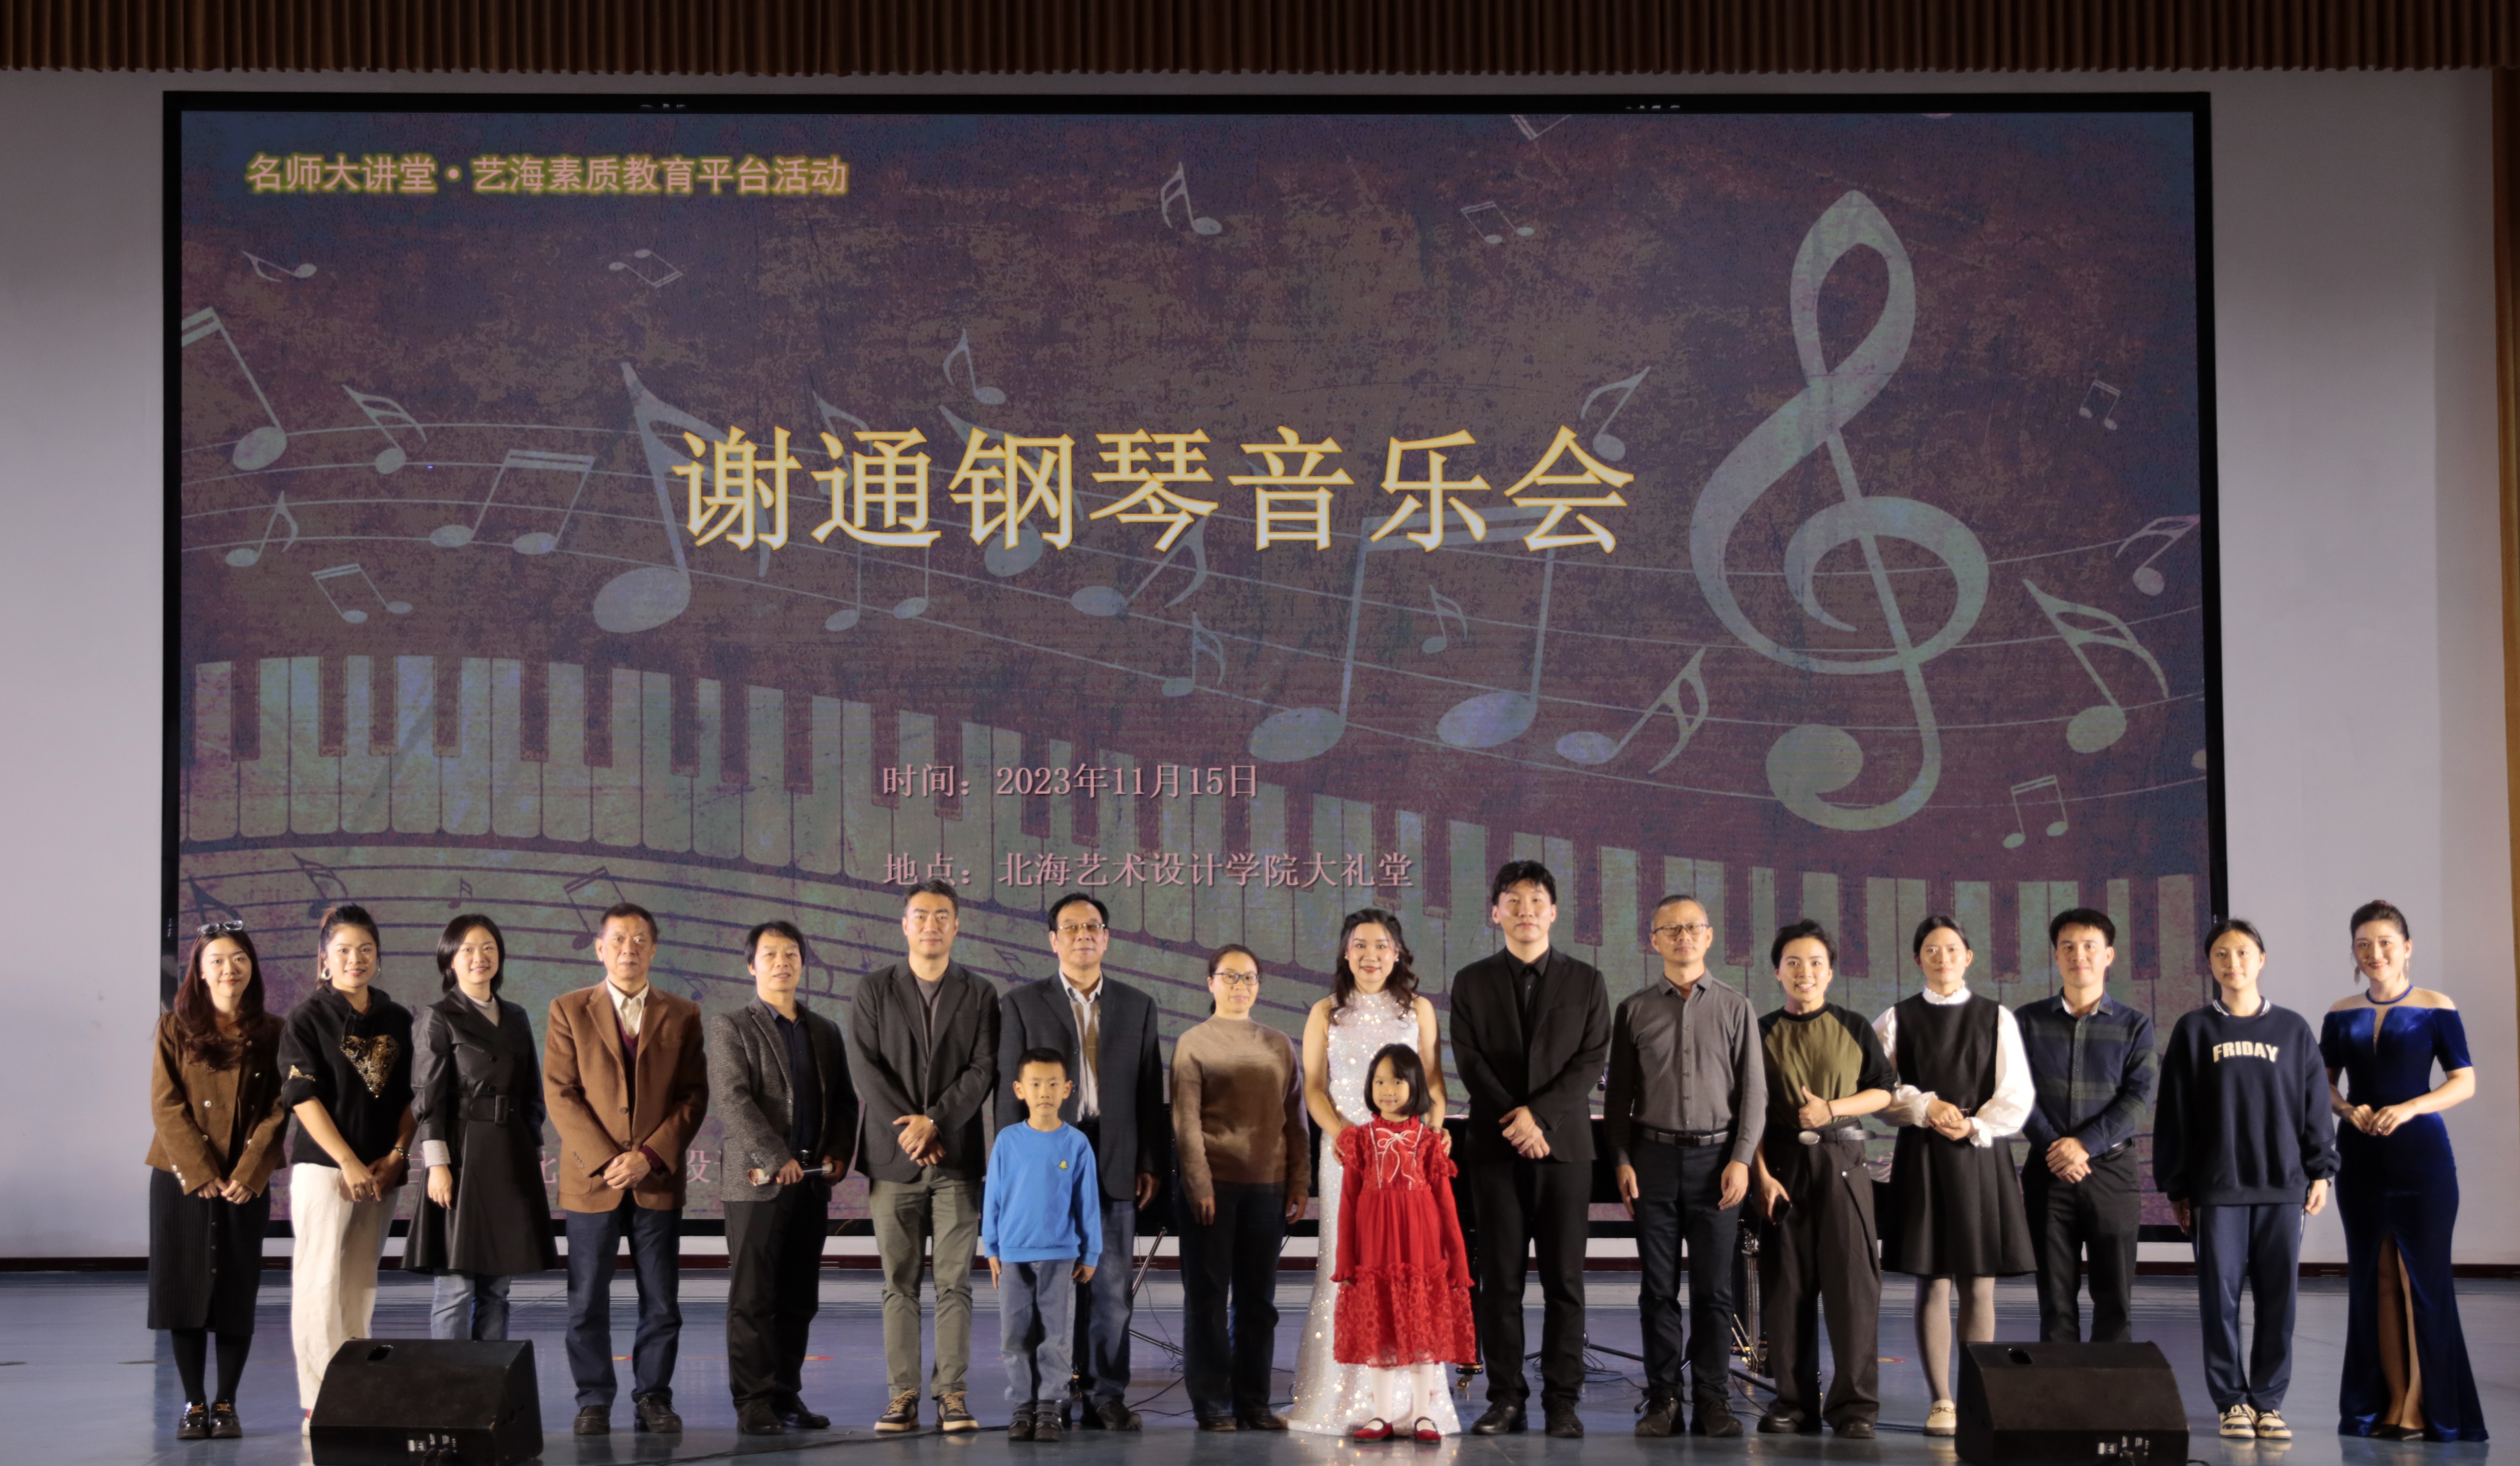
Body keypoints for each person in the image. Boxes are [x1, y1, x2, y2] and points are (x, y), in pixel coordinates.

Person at [1446, 861, 1611, 1439]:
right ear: (1495, 912)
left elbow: (1590, 1059)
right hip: (1495, 1150)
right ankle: (1505, 1399)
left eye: (1535, 900)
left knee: (1565, 1281)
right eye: (1512, 901)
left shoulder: (1586, 980)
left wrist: (1538, 1116)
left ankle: (1562, 1401)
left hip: (1564, 1149)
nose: (1525, 911)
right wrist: (1515, 1120)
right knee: (1500, 1282)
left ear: (1553, 912)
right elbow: (1469, 1060)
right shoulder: (1471, 980)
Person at [2157, 917, 2336, 1443]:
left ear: (2261, 960)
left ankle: (2268, 1402)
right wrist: (2177, 1186)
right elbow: (2175, 1113)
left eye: (2242, 953)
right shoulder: (2194, 1030)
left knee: (2280, 1302)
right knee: (2220, 1303)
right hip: (2218, 1191)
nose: (2232, 963)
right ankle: (2231, 1402)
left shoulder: (2292, 1029)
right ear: (2209, 965)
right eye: (2221, 954)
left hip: (2282, 1188)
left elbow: (2315, 1106)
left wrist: (2321, 1171)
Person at [997, 892, 1166, 1432]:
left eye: (1092, 926)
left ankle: (1104, 1395)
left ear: (1106, 937)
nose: (1082, 935)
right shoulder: (1021, 1004)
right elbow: (1007, 1098)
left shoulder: (1138, 1005)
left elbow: (1148, 1091)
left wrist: (1148, 1159)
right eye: (1070, 927)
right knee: (1046, 1291)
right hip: (1045, 1161)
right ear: (1053, 940)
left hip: (1114, 1156)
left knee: (1110, 1288)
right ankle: (1044, 1398)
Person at [2319, 900, 2485, 1441]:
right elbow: (2319, 1085)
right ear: (2353, 951)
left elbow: (2463, 1081)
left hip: (2421, 1158)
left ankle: (2422, 1404)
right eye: (2363, 944)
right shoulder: (2339, 1012)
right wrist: (2346, 1109)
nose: (2374, 953)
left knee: (2422, 1281)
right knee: (2377, 1279)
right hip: (2360, 1159)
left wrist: (2411, 1106)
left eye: (2385, 942)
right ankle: (2390, 1400)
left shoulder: (2436, 1006)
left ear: (2406, 947)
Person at [544, 901, 709, 1437]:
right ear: (599, 948)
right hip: (591, 1180)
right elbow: (561, 1093)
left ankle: (653, 1397)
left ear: (654, 948)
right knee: (585, 1300)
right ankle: (593, 1398)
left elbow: (693, 1096)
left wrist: (649, 1156)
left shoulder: (683, 1013)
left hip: (655, 1179)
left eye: (639, 939)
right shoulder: (569, 1009)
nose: (628, 949)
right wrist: (608, 1159)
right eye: (618, 939)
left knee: (660, 1300)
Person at [1289, 908, 1453, 1437]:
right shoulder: (1325, 1012)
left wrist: (1427, 1138)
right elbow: (1315, 1088)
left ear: (1398, 953)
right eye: (1359, 944)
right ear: (1345, 952)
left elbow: (1433, 1083)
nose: (1370, 955)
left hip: (1406, 1159)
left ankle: (1416, 1405)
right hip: (1348, 1156)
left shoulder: (1418, 1009)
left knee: (1409, 1267)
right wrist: (1347, 1137)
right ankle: (1347, 1400)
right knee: (1351, 1265)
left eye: (1381, 945)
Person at [1605, 892, 1763, 1439]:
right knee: (1657, 1290)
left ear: (1709, 935)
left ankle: (1713, 1400)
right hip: (1651, 1161)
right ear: (1653, 940)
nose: (1682, 937)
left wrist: (1741, 1159)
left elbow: (1754, 1095)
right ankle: (1664, 1399)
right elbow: (1618, 1098)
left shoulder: (1736, 1007)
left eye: (1692, 927)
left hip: (1718, 1163)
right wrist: (1621, 1160)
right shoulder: (1633, 1009)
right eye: (1670, 929)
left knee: (1715, 1292)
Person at [1873, 915, 2034, 1438]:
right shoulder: (1897, 1018)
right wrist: (1926, 1106)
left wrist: (1973, 1125)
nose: (1942, 958)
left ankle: (1975, 1395)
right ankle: (1942, 1401)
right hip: (1922, 1156)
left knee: (1980, 1282)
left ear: (1969, 957)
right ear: (1917, 959)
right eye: (1931, 950)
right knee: (1933, 1279)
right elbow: (1875, 1088)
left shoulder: (1996, 1016)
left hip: (1978, 1155)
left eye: (1951, 949)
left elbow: (2016, 1093)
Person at [848, 879, 998, 1434]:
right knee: (900, 1282)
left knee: (955, 1282)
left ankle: (952, 1394)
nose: (930, 925)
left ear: (956, 926)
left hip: (956, 1159)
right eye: (920, 915)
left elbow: (982, 1069)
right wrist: (913, 1129)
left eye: (941, 916)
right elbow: (864, 1067)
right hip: (893, 1162)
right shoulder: (874, 989)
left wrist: (935, 1120)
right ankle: (903, 1395)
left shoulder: (979, 992)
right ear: (904, 924)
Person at [708, 920, 860, 1436]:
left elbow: (844, 1102)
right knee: (753, 1297)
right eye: (770, 954)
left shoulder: (825, 1031)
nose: (782, 963)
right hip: (758, 1183)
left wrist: (837, 1154)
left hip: (812, 1183)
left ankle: (785, 1393)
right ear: (751, 966)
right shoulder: (731, 1026)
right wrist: (777, 1158)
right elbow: (732, 1100)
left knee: (798, 1298)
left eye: (791, 953)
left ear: (802, 963)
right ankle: (752, 1401)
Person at [1751, 919, 1892, 1439]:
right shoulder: (1760, 1031)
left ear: (1830, 972)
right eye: (1793, 963)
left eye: (1815, 963)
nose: (1804, 972)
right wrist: (1760, 1177)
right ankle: (1793, 1403)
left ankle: (1855, 1406)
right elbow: (1749, 1112)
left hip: (1842, 1162)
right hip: (1781, 1166)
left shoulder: (1853, 1026)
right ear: (1777, 972)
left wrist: (1831, 1108)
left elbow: (1883, 1091)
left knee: (1852, 1287)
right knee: (1786, 1288)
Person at [148, 923, 288, 1441]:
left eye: (239, 959)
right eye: (218, 960)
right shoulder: (174, 1027)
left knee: (235, 1292)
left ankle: (226, 1403)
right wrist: (199, 1170)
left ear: (252, 967)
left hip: (243, 1181)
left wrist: (250, 1173)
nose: (230, 969)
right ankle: (194, 1403)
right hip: (182, 1178)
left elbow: (281, 1108)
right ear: (200, 972)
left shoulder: (275, 1030)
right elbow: (165, 1103)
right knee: (183, 1290)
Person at [277, 903, 415, 1425]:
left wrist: (397, 1157)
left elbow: (413, 1099)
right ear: (324, 959)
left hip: (381, 1173)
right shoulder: (307, 1018)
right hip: (325, 1170)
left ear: (378, 957)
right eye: (343, 951)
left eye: (365, 950)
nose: (355, 959)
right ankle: (319, 1400)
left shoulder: (399, 1020)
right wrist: (347, 1162)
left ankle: (356, 1390)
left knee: (360, 1283)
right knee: (319, 1282)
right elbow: (302, 1098)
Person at [1171, 943, 1308, 1431]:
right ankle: (1211, 1403)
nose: (1239, 986)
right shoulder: (1193, 1043)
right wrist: (1199, 1185)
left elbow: (1296, 1121)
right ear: (1210, 984)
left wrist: (1299, 1181)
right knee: (1207, 1299)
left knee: (1258, 1303)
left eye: (1248, 977)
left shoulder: (1279, 1044)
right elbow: (1186, 1124)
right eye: (1229, 976)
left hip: (1267, 1190)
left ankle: (1253, 1403)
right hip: (1213, 1189)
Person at [406, 915, 557, 1343]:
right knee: (456, 1287)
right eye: (468, 949)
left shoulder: (516, 1016)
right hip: (460, 1157)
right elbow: (428, 1098)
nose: (480, 957)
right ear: (449, 960)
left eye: (488, 948)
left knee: (498, 1289)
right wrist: (437, 1165)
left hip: (510, 1156)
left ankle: (491, 1378)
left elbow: (531, 1093)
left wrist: (530, 1150)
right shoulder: (439, 1017)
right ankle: (449, 1380)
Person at [2014, 907, 2157, 1344]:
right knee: (2055, 1300)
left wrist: (2084, 1145)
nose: (2080, 955)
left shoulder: (2135, 1025)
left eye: (2090, 946)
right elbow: (2016, 1093)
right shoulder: (2026, 1021)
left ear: (2108, 955)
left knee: (2115, 1300)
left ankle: (2111, 1385)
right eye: (2068, 947)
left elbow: (2138, 1098)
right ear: (2056, 956)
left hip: (2112, 1174)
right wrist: (2057, 1147)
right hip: (2047, 1172)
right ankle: (2061, 1387)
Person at [1331, 1043, 1479, 1442]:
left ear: (1415, 1086)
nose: (1387, 1090)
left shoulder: (1429, 1141)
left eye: (1397, 1081)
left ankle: (1423, 1414)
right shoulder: (1359, 1140)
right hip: (1375, 1249)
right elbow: (1348, 1202)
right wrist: (1345, 1259)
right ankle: (1380, 1415)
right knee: (1380, 1330)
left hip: (1421, 1247)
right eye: (1379, 1081)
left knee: (1421, 1330)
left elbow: (1446, 1205)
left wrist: (1458, 1261)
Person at [983, 1048, 1104, 1445]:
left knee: (1056, 1335)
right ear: (1020, 1089)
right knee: (1015, 1335)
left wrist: (1090, 1252)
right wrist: (992, 1248)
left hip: (1060, 1256)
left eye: (1053, 1084)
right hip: (1014, 1255)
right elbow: (993, 1198)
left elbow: (1087, 1203)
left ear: (1068, 1089)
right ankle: (1022, 1404)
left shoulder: (1076, 1144)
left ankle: (1050, 1404)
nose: (1045, 1092)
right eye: (1035, 1084)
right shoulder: (1007, 1141)